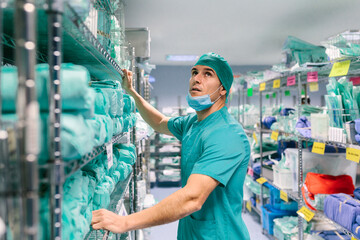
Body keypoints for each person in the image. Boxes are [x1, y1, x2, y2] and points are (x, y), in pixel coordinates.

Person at [91, 53, 251, 240]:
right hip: (191, 232)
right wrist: (132, 92)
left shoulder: (227, 134)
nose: (196, 79)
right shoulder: (193, 123)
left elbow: (193, 198)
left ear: (223, 89)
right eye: (194, 72)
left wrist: (124, 222)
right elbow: (159, 122)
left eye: (208, 74)